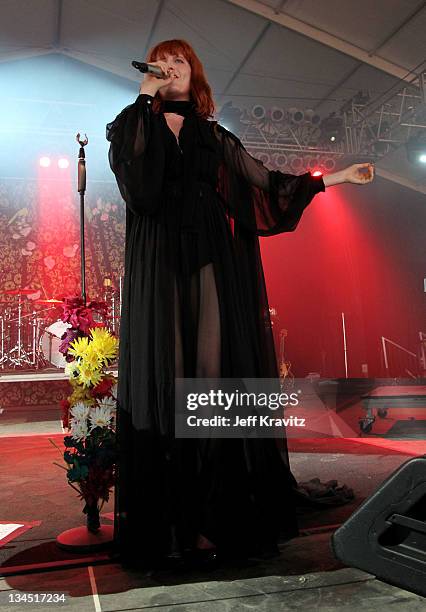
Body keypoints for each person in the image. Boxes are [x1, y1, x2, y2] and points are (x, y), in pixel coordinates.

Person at [106, 38, 374, 569]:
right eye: (164, 60)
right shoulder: (133, 123)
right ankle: (172, 522)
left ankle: (212, 516)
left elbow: (265, 184)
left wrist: (334, 179)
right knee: (167, 377)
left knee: (206, 382)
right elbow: (136, 184)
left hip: (208, 261)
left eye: (180, 60)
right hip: (159, 266)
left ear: (195, 74)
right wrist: (143, 98)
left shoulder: (214, 137)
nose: (171, 67)